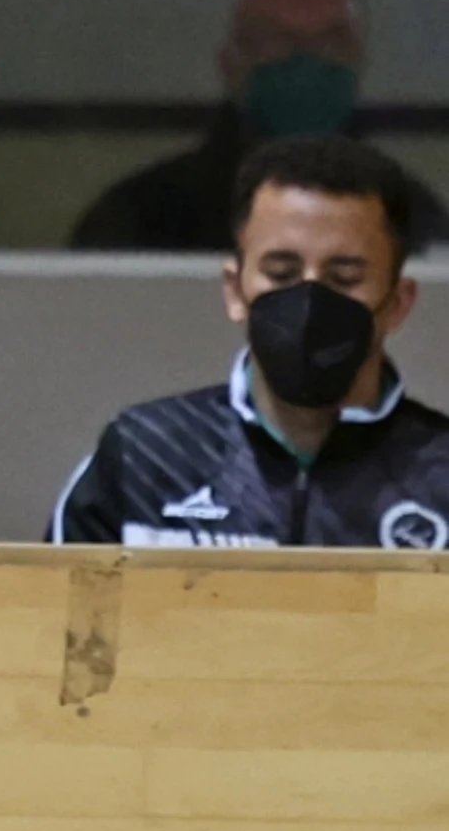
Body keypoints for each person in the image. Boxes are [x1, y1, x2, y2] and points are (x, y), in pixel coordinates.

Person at [49, 134, 449, 549]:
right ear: (235, 290)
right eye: (281, 273)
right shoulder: (144, 457)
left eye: (343, 278)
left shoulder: (440, 472)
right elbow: (50, 608)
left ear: (398, 303)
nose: (309, 300)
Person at [68, 0, 449, 252]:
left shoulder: (413, 218)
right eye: (276, 40)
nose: (306, 60)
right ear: (230, 64)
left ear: (359, 62)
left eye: (332, 41)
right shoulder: (141, 219)